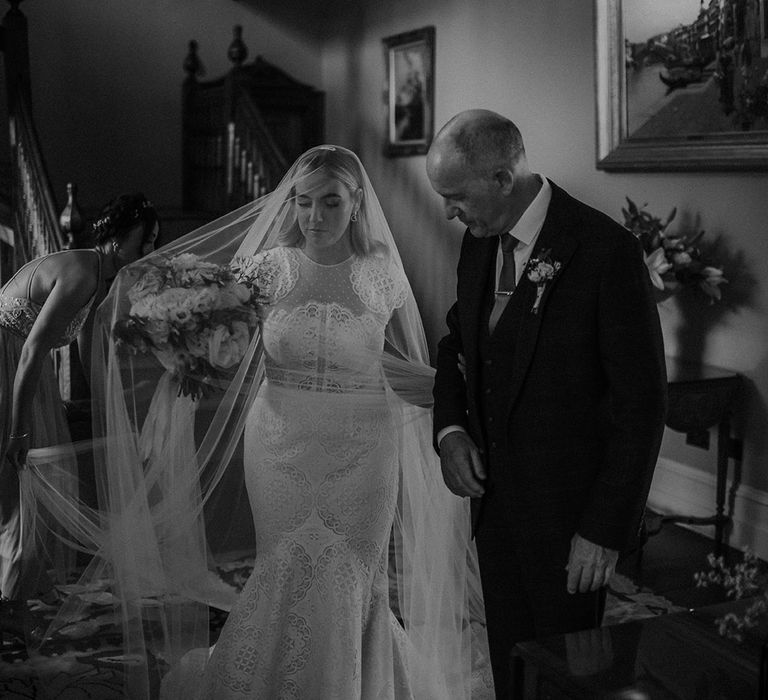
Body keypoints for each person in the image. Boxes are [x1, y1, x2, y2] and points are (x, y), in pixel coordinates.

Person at [38, 147, 492, 698]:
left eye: (331, 202)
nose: (315, 217)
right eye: (303, 202)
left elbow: (390, 366)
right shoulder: (269, 270)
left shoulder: (382, 276)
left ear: (357, 205)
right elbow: (218, 347)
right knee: (285, 566)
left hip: (364, 452)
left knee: (352, 574)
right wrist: (186, 349)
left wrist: (457, 394)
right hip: (280, 445)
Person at [426, 110, 667, 697]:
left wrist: (603, 531)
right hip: (495, 508)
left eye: (456, 196)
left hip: (570, 522)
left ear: (504, 179)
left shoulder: (606, 252)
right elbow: (458, 343)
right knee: (511, 658)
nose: (449, 212)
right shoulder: (479, 243)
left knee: (569, 675)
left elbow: (642, 408)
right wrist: (451, 431)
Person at [0, 192, 159, 643]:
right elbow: (32, 348)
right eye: (142, 242)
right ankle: (10, 603)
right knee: (27, 480)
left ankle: (18, 591)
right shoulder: (83, 274)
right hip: (9, 363)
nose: (146, 253)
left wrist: (117, 409)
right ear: (116, 239)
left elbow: (90, 350)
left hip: (28, 370)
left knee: (52, 479)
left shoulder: (100, 275)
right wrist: (18, 429)